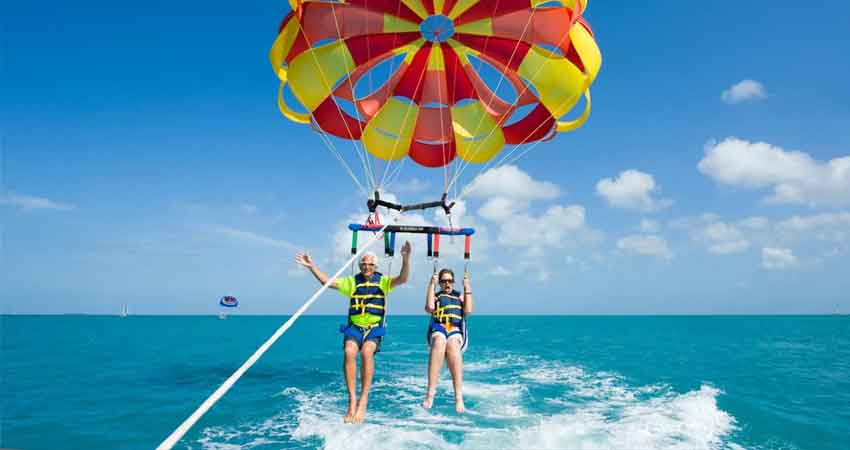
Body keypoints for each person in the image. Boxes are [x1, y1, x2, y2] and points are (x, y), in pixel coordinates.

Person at [294, 242, 411, 423]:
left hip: (374, 328)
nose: (367, 266)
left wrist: (405, 259)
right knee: (349, 352)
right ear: (360, 265)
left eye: (370, 264)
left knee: (366, 352)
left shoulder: (383, 281)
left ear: (375, 266)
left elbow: (402, 279)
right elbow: (327, 282)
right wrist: (312, 266)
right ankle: (352, 400)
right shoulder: (352, 282)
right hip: (354, 327)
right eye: (364, 263)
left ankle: (363, 399)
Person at [423, 267, 473, 413]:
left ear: (453, 282)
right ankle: (430, 394)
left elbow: (468, 311)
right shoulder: (436, 296)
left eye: (450, 281)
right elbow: (429, 308)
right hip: (439, 328)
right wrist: (431, 285)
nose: (447, 284)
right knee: (439, 341)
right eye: (443, 281)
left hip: (455, 330)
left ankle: (458, 397)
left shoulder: (460, 297)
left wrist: (467, 287)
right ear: (440, 283)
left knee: (452, 345)